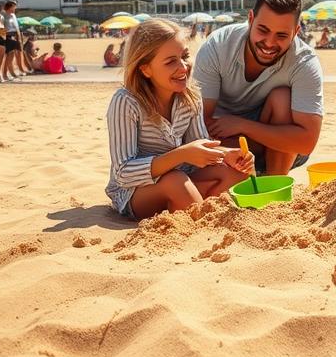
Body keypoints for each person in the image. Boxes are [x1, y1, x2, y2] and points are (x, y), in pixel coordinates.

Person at [106, 18, 253, 220]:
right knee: (175, 181)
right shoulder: (126, 102)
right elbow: (123, 173)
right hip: (135, 192)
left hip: (181, 175)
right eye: (170, 61)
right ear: (145, 69)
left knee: (236, 172)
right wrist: (180, 155)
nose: (183, 67)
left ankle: (187, 206)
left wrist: (227, 154)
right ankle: (201, 221)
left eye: (184, 56)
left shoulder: (189, 97)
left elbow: (200, 145)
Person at [192, 0, 323, 176]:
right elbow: (199, 125)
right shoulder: (219, 46)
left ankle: (273, 187)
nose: (269, 43)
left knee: (282, 97)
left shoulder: (304, 62)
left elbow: (306, 143)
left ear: (295, 32)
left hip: (277, 146)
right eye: (263, 30)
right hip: (225, 140)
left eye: (281, 35)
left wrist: (243, 125)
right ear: (251, 20)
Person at [3, 1, 27, 78]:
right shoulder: (3, 15)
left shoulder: (13, 15)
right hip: (7, 36)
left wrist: (19, 37)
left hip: (15, 35)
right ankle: (5, 73)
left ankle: (18, 70)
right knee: (10, 55)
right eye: (14, 7)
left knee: (18, 53)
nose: (15, 8)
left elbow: (16, 26)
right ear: (9, 7)